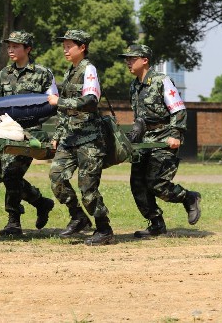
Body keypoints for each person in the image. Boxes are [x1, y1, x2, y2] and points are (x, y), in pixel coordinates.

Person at [118, 44, 202, 238]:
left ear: (145, 60)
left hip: (164, 139)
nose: (128, 62)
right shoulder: (134, 85)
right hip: (144, 142)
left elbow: (178, 109)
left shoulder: (161, 81)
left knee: (157, 184)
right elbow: (140, 117)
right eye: (127, 59)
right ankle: (156, 224)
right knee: (137, 184)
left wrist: (176, 134)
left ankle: (189, 197)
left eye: (132, 58)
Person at [47, 29, 115, 246]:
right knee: (57, 178)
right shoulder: (70, 71)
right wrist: (58, 134)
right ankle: (78, 217)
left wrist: (60, 102)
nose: (65, 49)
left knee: (87, 189)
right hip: (69, 137)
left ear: (82, 47)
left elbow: (91, 101)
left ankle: (104, 230)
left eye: (69, 45)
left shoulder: (89, 69)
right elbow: (64, 113)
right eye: (64, 45)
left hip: (89, 139)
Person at [0, 31, 56, 237]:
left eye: (16, 46)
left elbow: (54, 104)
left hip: (31, 134)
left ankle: (13, 221)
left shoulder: (43, 73)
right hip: (7, 132)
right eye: (9, 46)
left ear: (28, 49)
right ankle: (41, 202)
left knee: (11, 173)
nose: (11, 49)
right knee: (8, 175)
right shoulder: (4, 74)